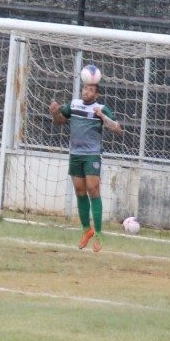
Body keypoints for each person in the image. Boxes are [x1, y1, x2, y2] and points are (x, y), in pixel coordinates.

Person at [49, 80, 123, 253]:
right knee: (80, 191)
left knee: (93, 189)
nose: (86, 92)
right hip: (75, 154)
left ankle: (98, 234)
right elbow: (60, 121)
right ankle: (86, 230)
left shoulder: (101, 108)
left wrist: (102, 116)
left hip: (92, 155)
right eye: (84, 88)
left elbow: (118, 129)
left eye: (90, 90)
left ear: (97, 94)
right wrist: (55, 112)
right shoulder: (74, 105)